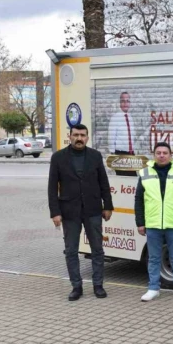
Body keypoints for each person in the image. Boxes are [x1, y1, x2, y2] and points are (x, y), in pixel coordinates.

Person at [47, 123, 114, 301]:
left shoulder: (95, 156)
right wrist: (55, 212)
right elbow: (52, 188)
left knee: (98, 250)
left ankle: (98, 285)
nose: (79, 138)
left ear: (87, 137)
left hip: (92, 210)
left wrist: (107, 206)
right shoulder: (58, 158)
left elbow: (104, 183)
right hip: (69, 212)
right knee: (71, 251)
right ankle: (76, 286)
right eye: (76, 135)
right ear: (70, 136)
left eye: (82, 135)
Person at [134, 142, 173, 302]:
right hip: (153, 223)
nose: (161, 155)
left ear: (171, 155)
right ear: (154, 155)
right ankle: (153, 288)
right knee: (153, 258)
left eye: (165, 152)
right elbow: (139, 200)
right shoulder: (145, 173)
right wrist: (140, 222)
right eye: (158, 152)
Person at [107, 91, 137, 176]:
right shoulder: (115, 118)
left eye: (127, 101)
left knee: (132, 180)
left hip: (131, 154)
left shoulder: (130, 118)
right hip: (120, 154)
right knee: (123, 180)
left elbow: (132, 136)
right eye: (123, 101)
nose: (125, 104)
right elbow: (111, 137)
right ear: (120, 103)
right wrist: (113, 156)